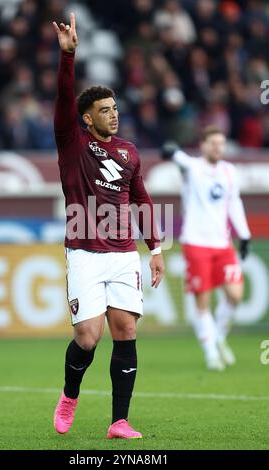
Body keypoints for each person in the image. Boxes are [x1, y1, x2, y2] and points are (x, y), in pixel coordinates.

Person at [52, 14, 165, 439]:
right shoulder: (72, 142)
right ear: (85, 118)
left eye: (115, 108)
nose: (113, 116)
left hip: (122, 254)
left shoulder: (129, 152)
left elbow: (141, 200)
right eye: (104, 110)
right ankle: (69, 396)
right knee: (87, 336)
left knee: (127, 330)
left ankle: (119, 421)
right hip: (83, 252)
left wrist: (154, 250)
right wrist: (69, 56)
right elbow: (64, 98)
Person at [162, 126, 251, 371]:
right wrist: (170, 151)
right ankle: (211, 352)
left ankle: (218, 337)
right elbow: (177, 156)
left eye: (221, 143)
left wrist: (244, 235)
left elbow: (234, 203)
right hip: (196, 243)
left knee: (235, 295)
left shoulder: (229, 171)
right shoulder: (193, 167)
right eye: (212, 143)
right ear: (202, 145)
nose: (217, 148)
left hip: (223, 244)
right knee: (203, 300)